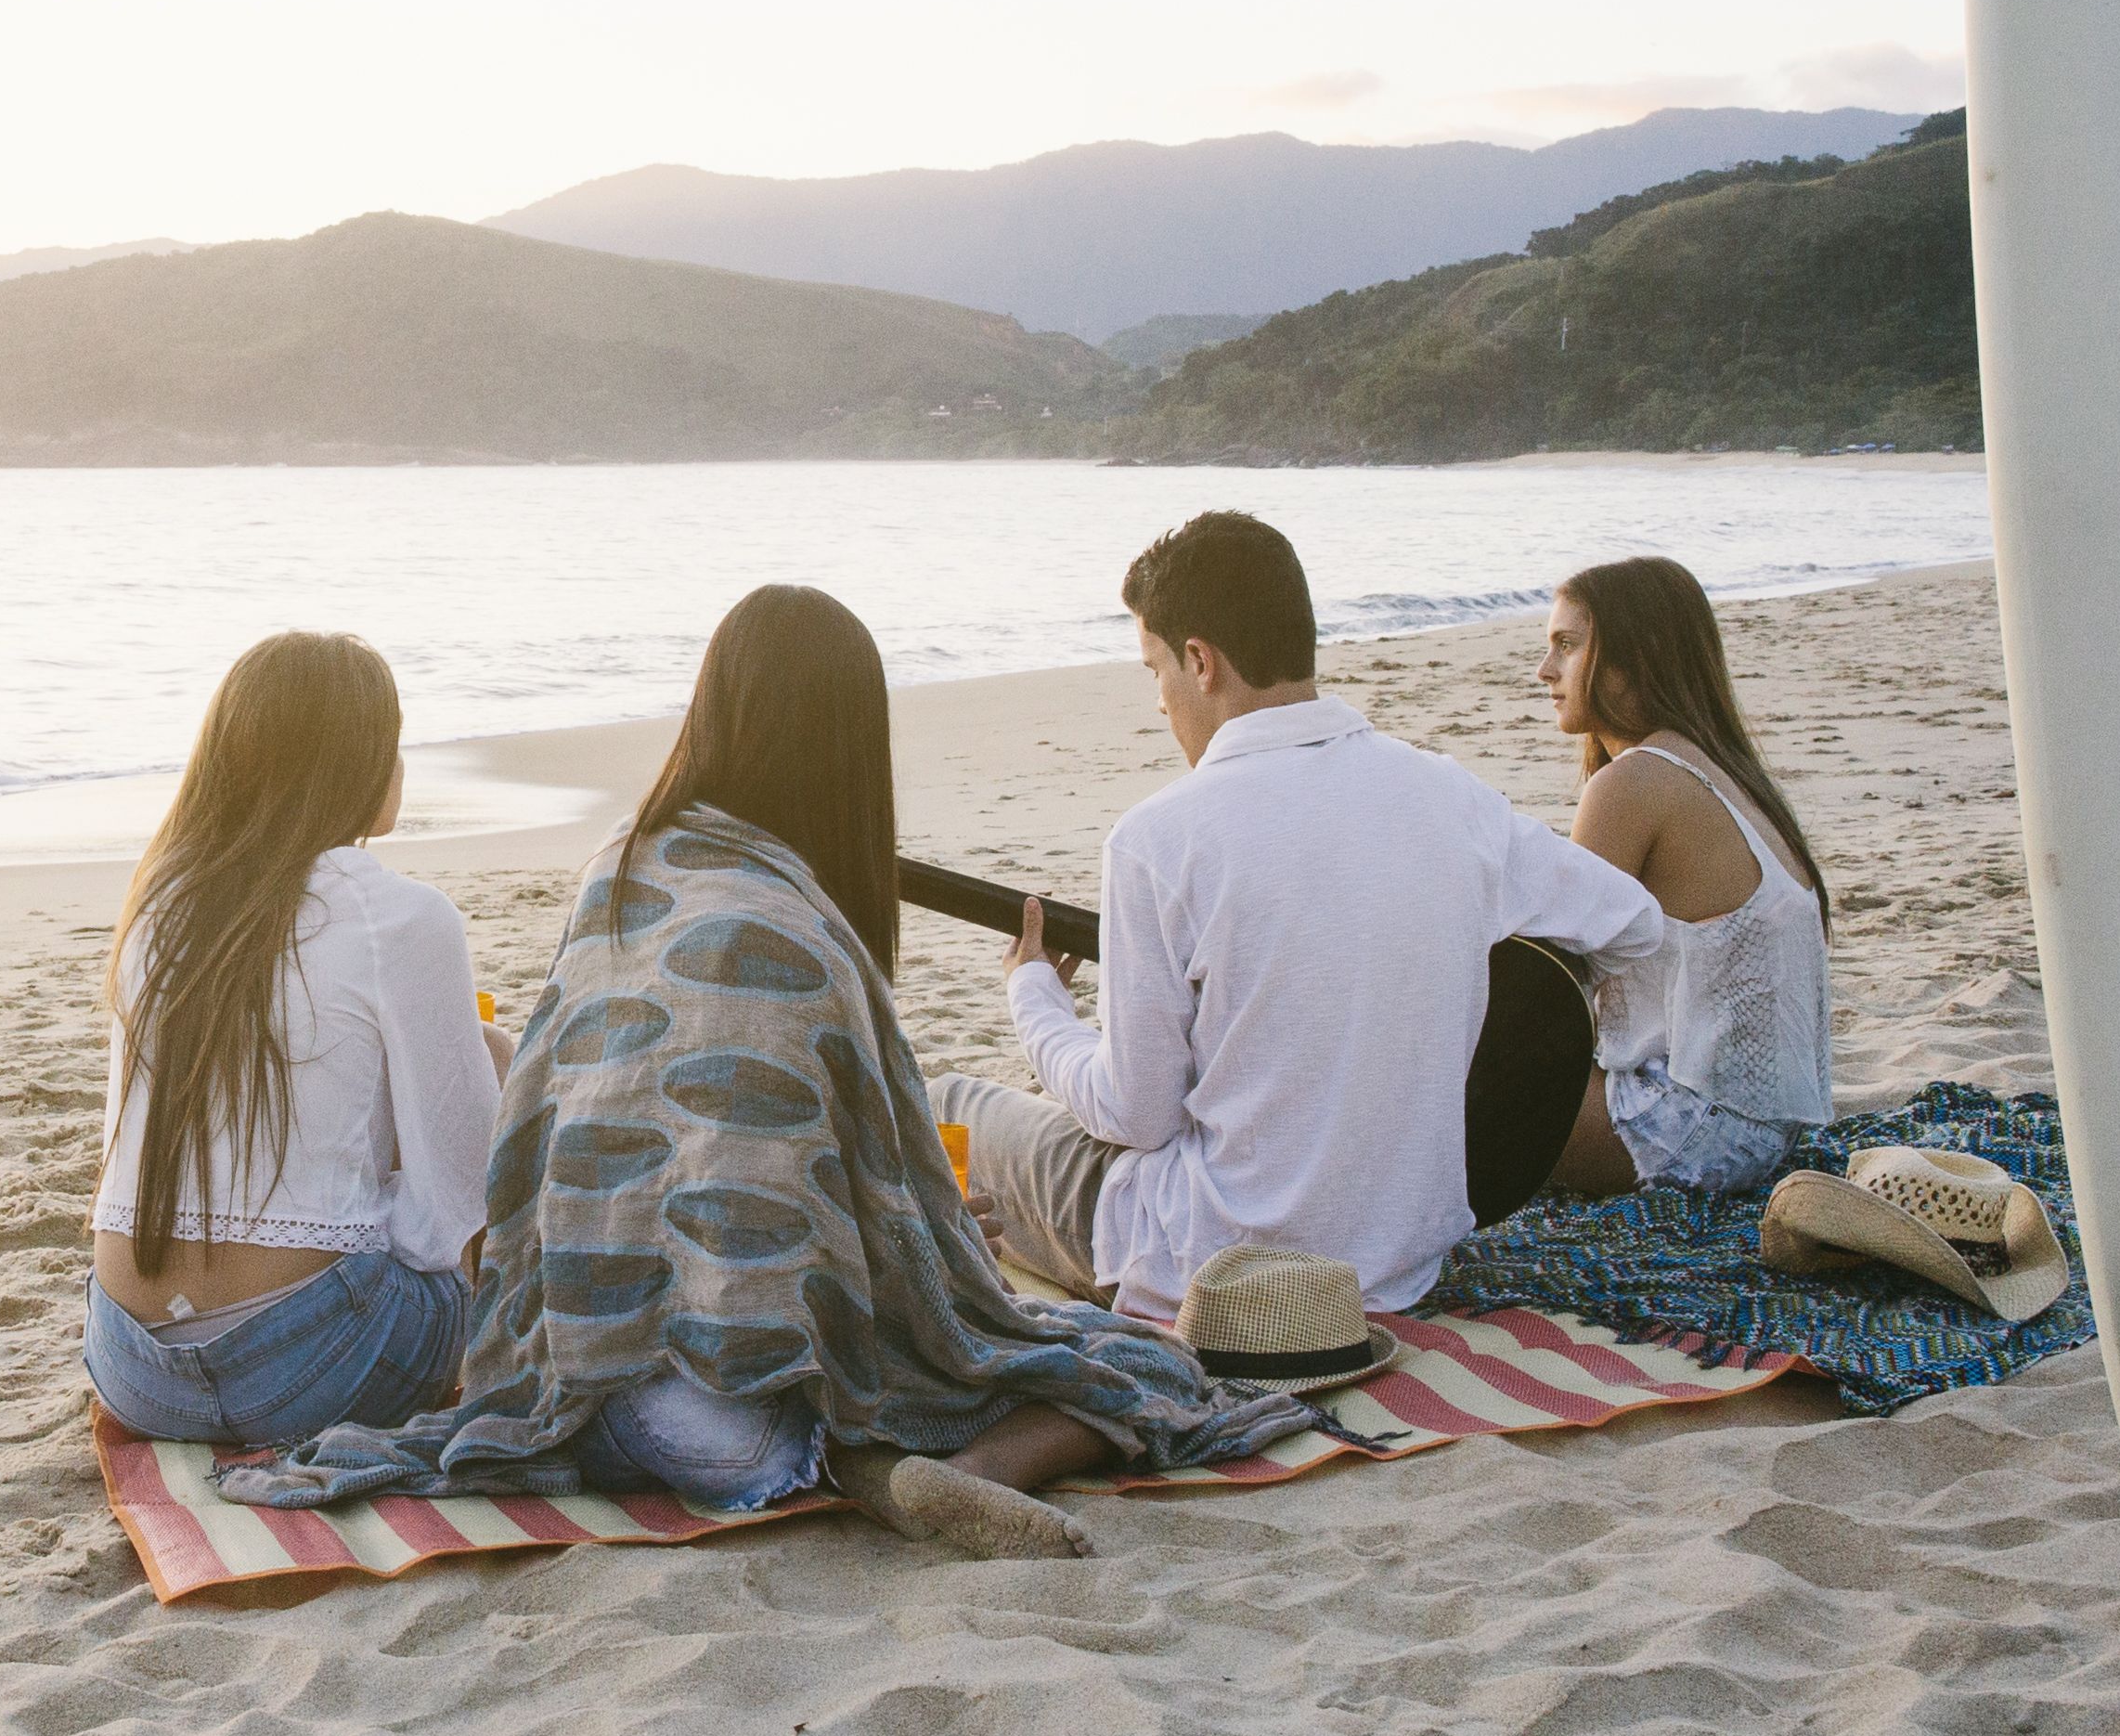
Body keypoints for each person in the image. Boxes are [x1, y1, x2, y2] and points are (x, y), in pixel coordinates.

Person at [218, 586, 1309, 1561]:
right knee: (1130, 1362)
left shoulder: (617, 870)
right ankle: (956, 1470)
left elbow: (540, 1128)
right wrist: (939, 1249)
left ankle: (870, 1463)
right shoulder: (801, 932)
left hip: (566, 1397)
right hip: (731, 1435)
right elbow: (876, 1243)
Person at [937, 510, 1663, 1323]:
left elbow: (1135, 1115)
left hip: (1214, 1273)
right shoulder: (1449, 797)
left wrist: (1035, 999)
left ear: (1200, 661)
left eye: (1156, 671)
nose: (1161, 702)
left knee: (949, 1102)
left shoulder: (1155, 839)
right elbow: (1633, 924)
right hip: (1397, 1266)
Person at [83, 630, 511, 1452]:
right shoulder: (404, 917)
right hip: (307, 1367)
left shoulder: (160, 904)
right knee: (487, 1055)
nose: (400, 765)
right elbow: (460, 1201)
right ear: (346, 762)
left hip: (133, 1369)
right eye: (390, 742)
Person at [1532, 556, 1834, 1199]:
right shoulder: (1729, 772)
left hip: (1685, 1131)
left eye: (1567, 645)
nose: (1546, 671)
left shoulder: (1631, 784)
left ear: (1634, 656)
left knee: (1443, 1051)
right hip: (1766, 1130)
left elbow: (1549, 985)